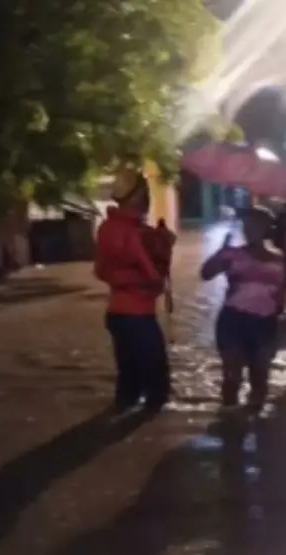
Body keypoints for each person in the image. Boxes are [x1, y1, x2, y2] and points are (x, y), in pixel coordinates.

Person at [94, 167, 173, 412]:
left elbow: (100, 271)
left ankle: (122, 408)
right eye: (145, 193)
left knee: (127, 373)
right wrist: (164, 247)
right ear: (138, 197)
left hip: (116, 312)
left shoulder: (106, 229)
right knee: (155, 376)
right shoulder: (140, 235)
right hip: (139, 314)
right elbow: (155, 277)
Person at [201, 206, 285, 411]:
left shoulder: (280, 261)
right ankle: (229, 419)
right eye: (247, 225)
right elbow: (206, 274)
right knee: (232, 376)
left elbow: (285, 295)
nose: (250, 229)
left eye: (256, 225)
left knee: (260, 377)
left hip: (265, 323)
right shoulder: (231, 254)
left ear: (267, 229)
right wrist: (219, 254)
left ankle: (254, 420)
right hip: (233, 321)